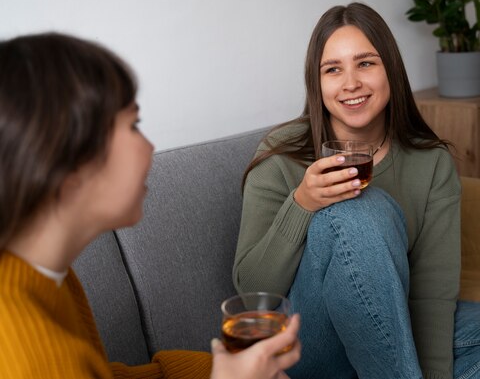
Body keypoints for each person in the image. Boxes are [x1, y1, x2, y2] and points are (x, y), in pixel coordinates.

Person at [233, 2, 480, 379]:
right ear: (316, 82)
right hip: (307, 342)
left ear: (390, 68)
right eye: (333, 70)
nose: (351, 83)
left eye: (365, 63)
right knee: (357, 206)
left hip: (391, 323)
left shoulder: (430, 162)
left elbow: (431, 294)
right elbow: (251, 292)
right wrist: (303, 203)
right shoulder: (282, 154)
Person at [0, 32, 300, 379]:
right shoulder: (26, 355)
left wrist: (213, 370)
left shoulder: (45, 274)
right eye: (133, 125)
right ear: (66, 164)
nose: (150, 146)